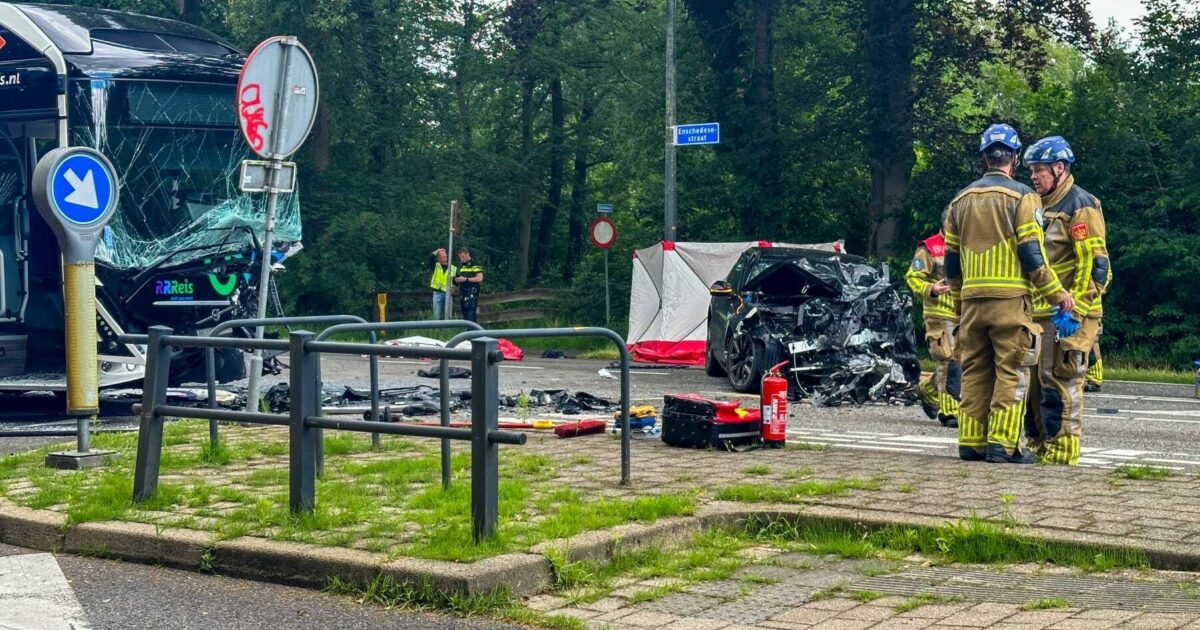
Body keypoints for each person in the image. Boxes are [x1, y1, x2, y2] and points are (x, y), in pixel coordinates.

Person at [943, 123, 1073, 464]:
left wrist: (958, 302)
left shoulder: (959, 201)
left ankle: (971, 443)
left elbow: (951, 262)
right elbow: (1033, 254)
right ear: (1013, 159)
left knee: (973, 370)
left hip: (970, 304)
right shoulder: (1023, 197)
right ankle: (1004, 444)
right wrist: (1058, 293)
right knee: (1011, 371)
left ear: (984, 159)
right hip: (1011, 304)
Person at [1022, 136, 1109, 466]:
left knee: (1060, 379)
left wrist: (1080, 308)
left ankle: (1062, 451)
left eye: (1040, 170)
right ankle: (1039, 444)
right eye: (1031, 170)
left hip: (1070, 314)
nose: (1033, 176)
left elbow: (1095, 262)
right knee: (1034, 387)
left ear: (1060, 168)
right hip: (1041, 312)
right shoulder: (1039, 205)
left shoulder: (1080, 204)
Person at [906, 228, 961, 428]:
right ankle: (949, 411)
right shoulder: (929, 247)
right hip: (939, 312)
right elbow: (913, 277)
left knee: (963, 361)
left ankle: (928, 390)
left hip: (963, 312)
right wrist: (931, 289)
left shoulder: (967, 243)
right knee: (948, 360)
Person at [453, 247, 484, 322]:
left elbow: (480, 278)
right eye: (460, 257)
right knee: (465, 315)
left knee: (471, 315)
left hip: (472, 293)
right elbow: (457, 277)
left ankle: (473, 332)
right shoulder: (461, 266)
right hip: (463, 292)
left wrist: (466, 279)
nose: (461, 259)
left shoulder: (475, 264)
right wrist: (456, 281)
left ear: (467, 254)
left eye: (463, 257)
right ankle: (467, 332)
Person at [427, 248, 454, 319]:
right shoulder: (436, 266)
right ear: (438, 258)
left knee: (448, 316)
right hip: (437, 293)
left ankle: (448, 329)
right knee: (436, 315)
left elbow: (455, 281)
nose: (445, 259)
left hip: (448, 293)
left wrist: (454, 288)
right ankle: (437, 329)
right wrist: (438, 250)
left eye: (446, 257)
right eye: (443, 257)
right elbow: (430, 257)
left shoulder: (452, 267)